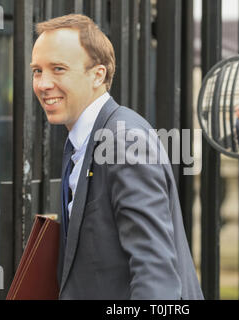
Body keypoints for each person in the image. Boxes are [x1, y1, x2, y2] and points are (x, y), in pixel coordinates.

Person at [31, 14, 203, 300]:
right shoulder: (82, 139)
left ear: (98, 75)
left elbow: (155, 273)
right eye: (37, 70)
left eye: (58, 69)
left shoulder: (123, 140)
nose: (43, 83)